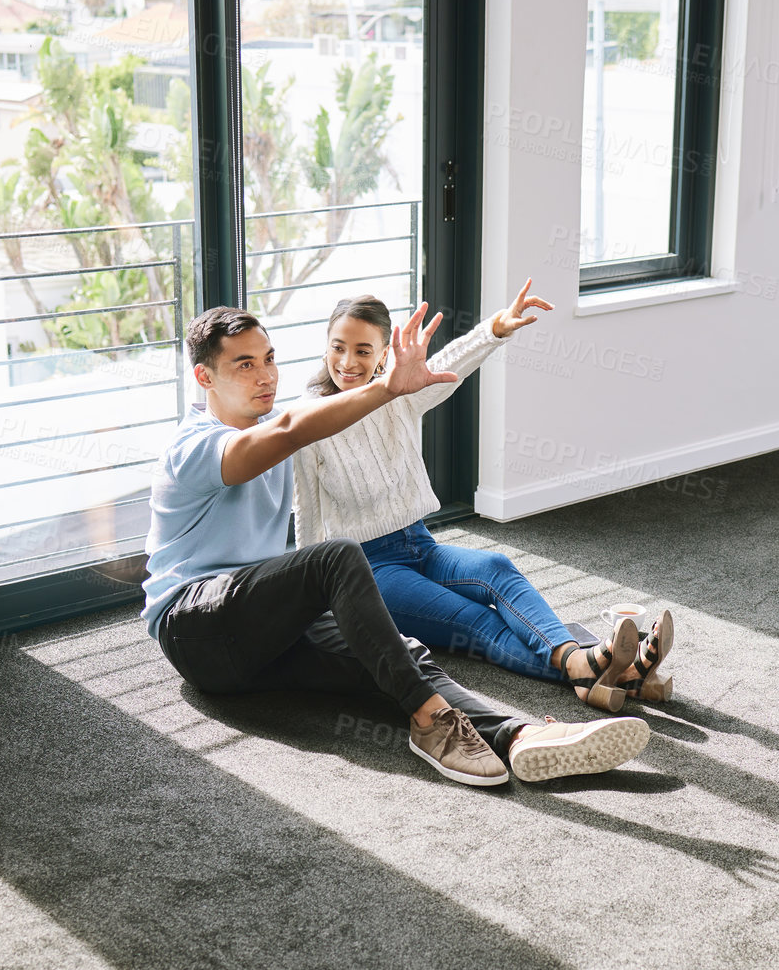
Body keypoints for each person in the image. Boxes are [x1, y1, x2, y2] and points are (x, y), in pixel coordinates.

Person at [142, 301, 649, 787]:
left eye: (270, 359)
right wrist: (385, 387)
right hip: (195, 627)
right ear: (204, 377)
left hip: (258, 641)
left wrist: (477, 337)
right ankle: (432, 726)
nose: (266, 375)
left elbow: (399, 395)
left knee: (403, 654)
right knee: (338, 556)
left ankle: (520, 734)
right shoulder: (194, 447)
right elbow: (295, 430)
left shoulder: (277, 428)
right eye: (245, 364)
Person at [292, 279, 675, 710]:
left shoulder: (397, 395)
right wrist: (313, 599)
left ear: (384, 355)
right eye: (338, 347)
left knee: (495, 565)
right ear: (325, 347)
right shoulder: (309, 420)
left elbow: (448, 366)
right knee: (473, 621)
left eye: (363, 350)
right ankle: (613, 672)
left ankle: (590, 668)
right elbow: (306, 509)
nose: (347, 361)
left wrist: (496, 327)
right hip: (371, 570)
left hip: (420, 544)